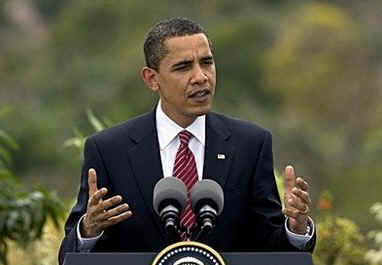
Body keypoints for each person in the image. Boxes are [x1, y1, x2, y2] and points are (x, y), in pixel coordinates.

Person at [58, 17, 316, 265]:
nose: (201, 77)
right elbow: (69, 256)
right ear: (151, 79)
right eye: (183, 67)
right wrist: (88, 229)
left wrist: (296, 227)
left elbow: (271, 249)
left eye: (207, 63)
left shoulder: (250, 144)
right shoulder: (108, 150)